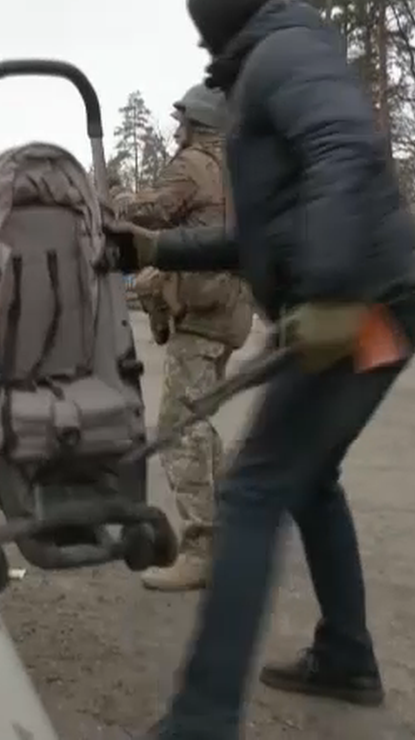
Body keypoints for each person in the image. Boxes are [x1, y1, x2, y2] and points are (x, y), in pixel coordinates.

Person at [109, 0, 415, 738]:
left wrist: (325, 296)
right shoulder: (279, 63)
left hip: (360, 304)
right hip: (372, 298)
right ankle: (346, 655)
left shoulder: (284, 60)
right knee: (311, 479)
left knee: (255, 490)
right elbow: (258, 238)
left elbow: (347, 156)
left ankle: (203, 719)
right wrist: (157, 246)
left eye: (203, 45)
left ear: (226, 34)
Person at [113, 84, 253, 593]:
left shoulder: (195, 162)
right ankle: (234, 522)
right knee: (196, 419)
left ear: (197, 124)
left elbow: (151, 212)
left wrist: (115, 198)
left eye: (182, 123)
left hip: (203, 310)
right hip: (229, 307)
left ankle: (203, 547)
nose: (176, 132)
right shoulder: (236, 168)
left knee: (176, 424)